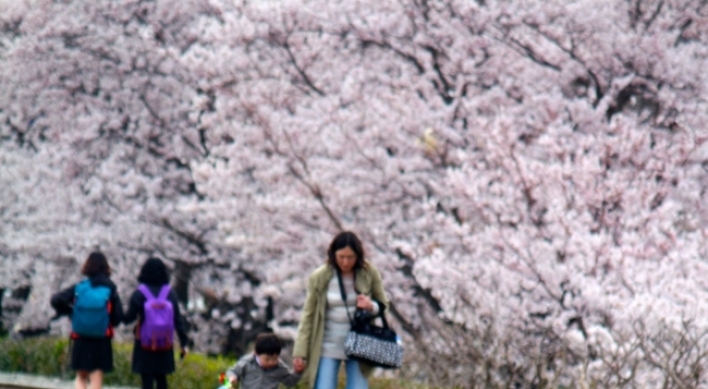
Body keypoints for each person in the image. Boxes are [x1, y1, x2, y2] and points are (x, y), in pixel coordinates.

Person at [292, 231, 389, 389]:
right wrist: (300, 352)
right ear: (333, 255)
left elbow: (384, 304)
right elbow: (308, 316)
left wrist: (371, 306)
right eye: (341, 257)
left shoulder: (369, 273)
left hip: (359, 344)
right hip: (327, 344)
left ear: (358, 256)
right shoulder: (320, 277)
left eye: (350, 257)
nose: (345, 262)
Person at [51, 252, 124, 389]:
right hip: (101, 339)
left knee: (81, 377)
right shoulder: (111, 289)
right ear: (106, 267)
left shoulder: (80, 287)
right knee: (96, 377)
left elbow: (55, 299)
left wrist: (71, 312)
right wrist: (107, 321)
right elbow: (118, 317)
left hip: (81, 336)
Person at [123, 258, 189, 389]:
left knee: (146, 380)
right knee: (162, 379)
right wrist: (184, 342)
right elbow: (178, 320)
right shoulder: (170, 294)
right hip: (164, 343)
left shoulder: (140, 293)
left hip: (145, 343)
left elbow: (128, 318)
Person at [224, 333, 303, 389]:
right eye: (267, 359)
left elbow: (290, 382)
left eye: (275, 359)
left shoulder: (280, 368)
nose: (271, 362)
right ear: (256, 353)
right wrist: (231, 378)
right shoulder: (247, 363)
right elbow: (231, 371)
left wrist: (298, 373)